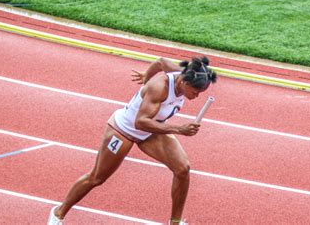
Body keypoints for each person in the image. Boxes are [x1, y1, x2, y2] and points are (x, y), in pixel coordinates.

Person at [48, 56, 217, 225]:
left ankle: (175, 222)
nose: (196, 96)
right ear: (185, 83)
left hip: (151, 131)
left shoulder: (183, 74)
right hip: (124, 130)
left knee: (182, 169)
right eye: (195, 92)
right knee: (97, 178)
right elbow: (140, 122)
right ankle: (58, 213)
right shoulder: (160, 88)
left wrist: (146, 74)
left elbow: (160, 62)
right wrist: (179, 129)